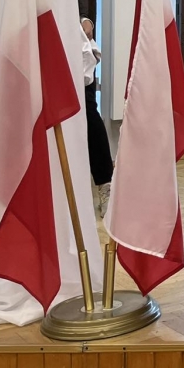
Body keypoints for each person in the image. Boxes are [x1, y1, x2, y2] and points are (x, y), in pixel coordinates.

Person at [80, 17, 113, 218]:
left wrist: (85, 21)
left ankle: (105, 186)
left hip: (80, 65)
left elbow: (77, 8)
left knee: (90, 118)